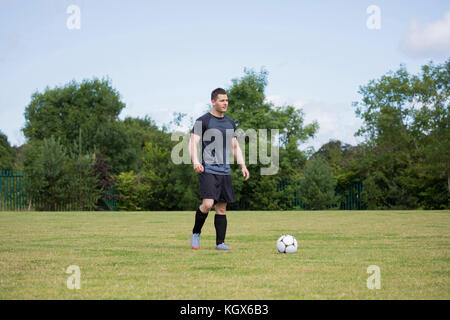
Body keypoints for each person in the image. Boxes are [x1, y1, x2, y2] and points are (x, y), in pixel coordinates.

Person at [189, 88, 249, 250]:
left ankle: (220, 243)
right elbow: (192, 143)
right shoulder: (203, 121)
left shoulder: (230, 122)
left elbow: (235, 147)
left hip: (225, 171)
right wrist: (195, 162)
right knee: (208, 204)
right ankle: (196, 233)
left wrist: (242, 165)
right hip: (207, 169)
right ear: (213, 102)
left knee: (221, 208)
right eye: (222, 100)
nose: (225, 103)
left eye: (227, 100)